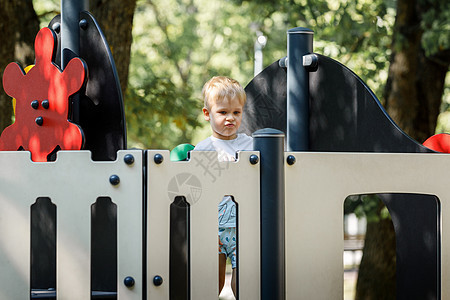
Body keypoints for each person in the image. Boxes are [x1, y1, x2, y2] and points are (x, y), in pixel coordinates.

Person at [194, 76, 252, 297]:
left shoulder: (251, 145)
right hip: (213, 227)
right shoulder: (203, 149)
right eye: (223, 112)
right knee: (213, 284)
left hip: (243, 227)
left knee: (243, 285)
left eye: (236, 113)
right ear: (207, 114)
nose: (230, 118)